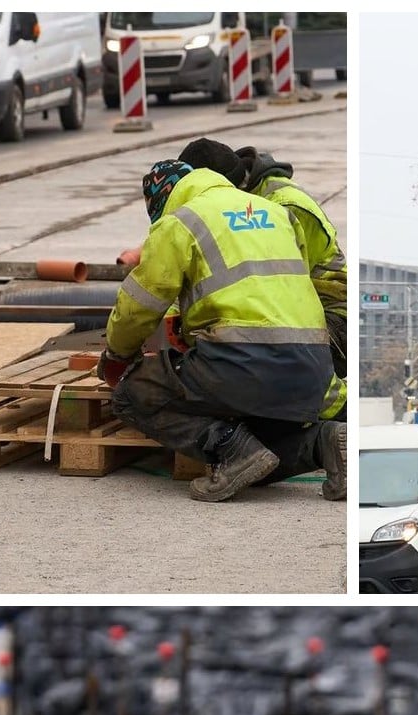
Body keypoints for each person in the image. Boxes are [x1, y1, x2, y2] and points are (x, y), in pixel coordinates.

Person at [101, 160, 345, 503]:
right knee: (261, 450)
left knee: (131, 393)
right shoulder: (275, 213)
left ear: (161, 200)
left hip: (241, 361)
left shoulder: (180, 222)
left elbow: (139, 304)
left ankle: (230, 447)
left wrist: (117, 354)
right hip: (313, 361)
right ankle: (323, 442)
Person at [178, 138, 347, 420]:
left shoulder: (285, 207)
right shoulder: (233, 202)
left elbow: (280, 292)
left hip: (328, 317)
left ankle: (328, 424)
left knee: (258, 369)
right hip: (284, 313)